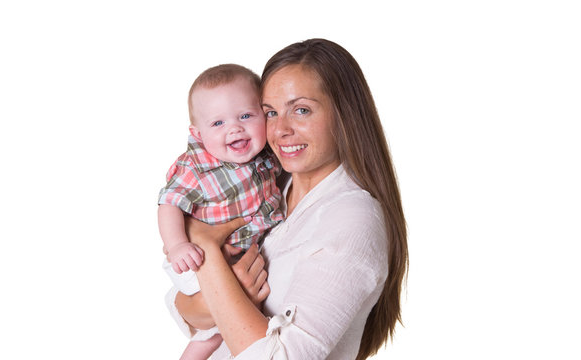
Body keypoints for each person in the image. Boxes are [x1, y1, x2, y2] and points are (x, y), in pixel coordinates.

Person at [166, 38, 408, 359]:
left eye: (302, 110)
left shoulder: (352, 219)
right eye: (270, 112)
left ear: (344, 114)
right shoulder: (267, 188)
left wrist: (207, 249)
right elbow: (181, 306)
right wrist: (224, 291)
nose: (280, 129)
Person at [157, 64, 284, 359]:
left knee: (224, 329)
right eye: (218, 124)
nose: (234, 128)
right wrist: (178, 245)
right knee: (215, 326)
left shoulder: (265, 155)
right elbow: (169, 203)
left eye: (246, 116)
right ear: (197, 133)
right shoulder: (197, 166)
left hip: (237, 255)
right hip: (194, 258)